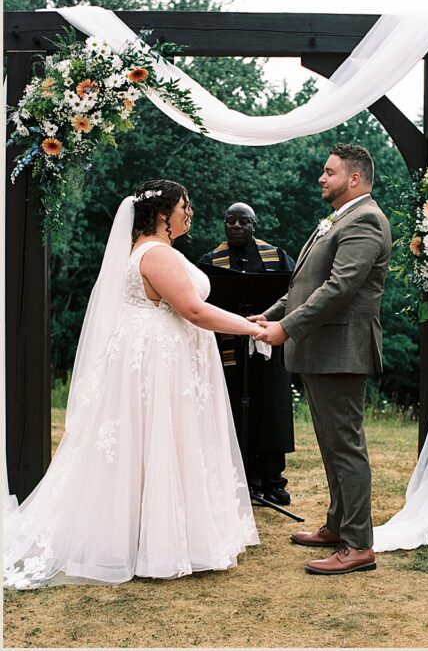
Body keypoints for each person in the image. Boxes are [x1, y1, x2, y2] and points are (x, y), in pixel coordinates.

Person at [3, 180, 262, 590]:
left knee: (162, 445)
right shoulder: (156, 254)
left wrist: (247, 323)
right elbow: (193, 310)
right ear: (163, 215)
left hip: (164, 362)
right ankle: (155, 542)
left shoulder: (151, 251)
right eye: (184, 205)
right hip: (159, 367)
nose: (188, 212)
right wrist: (252, 329)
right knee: (155, 442)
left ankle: (163, 532)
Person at [251, 144, 390, 576]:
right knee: (331, 444)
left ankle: (358, 545)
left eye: (328, 173)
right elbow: (304, 283)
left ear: (354, 178)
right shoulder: (341, 217)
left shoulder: (366, 220)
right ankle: (337, 525)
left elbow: (337, 289)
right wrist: (270, 315)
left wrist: (286, 329)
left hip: (341, 350)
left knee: (345, 446)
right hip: (322, 349)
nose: (320, 179)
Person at [199, 202, 296, 506]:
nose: (237, 226)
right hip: (229, 349)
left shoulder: (277, 257)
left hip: (268, 349)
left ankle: (273, 481)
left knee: (271, 411)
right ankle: (242, 479)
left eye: (244, 222)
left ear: (255, 225)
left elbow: (294, 293)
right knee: (233, 408)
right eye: (231, 222)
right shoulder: (210, 262)